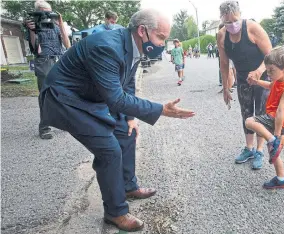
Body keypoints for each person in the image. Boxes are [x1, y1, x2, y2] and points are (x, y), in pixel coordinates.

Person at [39, 9, 195, 232]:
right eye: (161, 37)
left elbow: (127, 83)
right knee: (109, 149)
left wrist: (131, 118)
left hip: (90, 93)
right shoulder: (107, 47)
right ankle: (115, 212)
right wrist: (160, 109)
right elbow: (116, 98)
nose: (163, 43)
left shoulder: (133, 45)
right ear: (143, 31)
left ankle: (129, 186)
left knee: (126, 130)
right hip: (65, 98)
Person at [217, 1, 272, 169]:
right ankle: (249, 148)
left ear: (240, 15)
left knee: (261, 113)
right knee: (246, 114)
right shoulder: (221, 35)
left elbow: (270, 55)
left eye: (235, 20)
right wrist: (226, 88)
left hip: (261, 77)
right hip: (242, 79)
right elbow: (224, 64)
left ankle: (260, 150)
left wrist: (258, 71)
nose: (232, 24)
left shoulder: (253, 28)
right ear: (222, 20)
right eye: (228, 22)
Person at [245, 47, 284, 189]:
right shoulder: (279, 81)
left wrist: (276, 136)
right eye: (267, 70)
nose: (268, 73)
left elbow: (280, 112)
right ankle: (282, 180)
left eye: (271, 70)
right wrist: (256, 82)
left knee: (249, 121)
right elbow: (270, 85)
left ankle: (272, 141)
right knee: (274, 155)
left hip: (279, 123)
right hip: (277, 122)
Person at [25, 0, 71, 139]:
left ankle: (63, 122)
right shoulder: (33, 26)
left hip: (59, 61)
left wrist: (61, 24)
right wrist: (32, 31)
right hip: (43, 61)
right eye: (42, 11)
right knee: (45, 96)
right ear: (37, 12)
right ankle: (44, 127)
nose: (45, 14)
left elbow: (67, 45)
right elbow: (34, 48)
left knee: (63, 94)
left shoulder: (55, 26)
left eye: (48, 11)